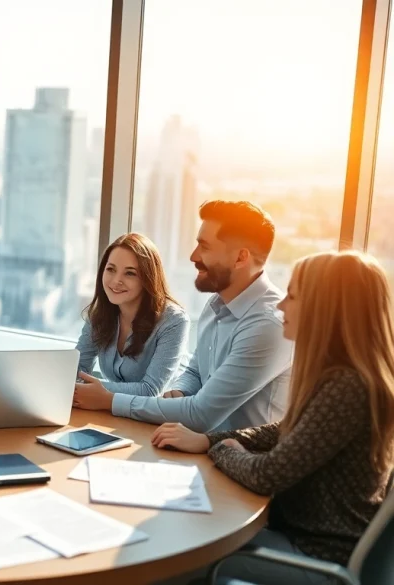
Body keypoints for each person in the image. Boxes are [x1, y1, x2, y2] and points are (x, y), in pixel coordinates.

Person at [152, 251, 394, 584]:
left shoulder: (348, 387)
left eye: (292, 296)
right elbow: (283, 431)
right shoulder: (343, 378)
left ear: (324, 309)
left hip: (313, 556)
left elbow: (267, 474)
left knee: (172, 559)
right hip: (300, 539)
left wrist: (220, 450)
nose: (281, 306)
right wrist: (208, 439)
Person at [76, 201, 292, 432]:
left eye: (204, 247)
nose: (193, 256)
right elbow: (196, 372)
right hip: (196, 441)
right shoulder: (216, 305)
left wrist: (109, 400)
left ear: (240, 258)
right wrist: (178, 392)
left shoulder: (268, 325)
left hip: (242, 451)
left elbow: (201, 414)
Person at [72, 233, 189, 407]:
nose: (116, 281)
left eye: (130, 273)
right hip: (114, 410)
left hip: (161, 414)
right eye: (111, 269)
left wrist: (98, 392)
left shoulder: (174, 321)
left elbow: (151, 391)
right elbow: (77, 368)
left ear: (148, 279)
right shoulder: (100, 313)